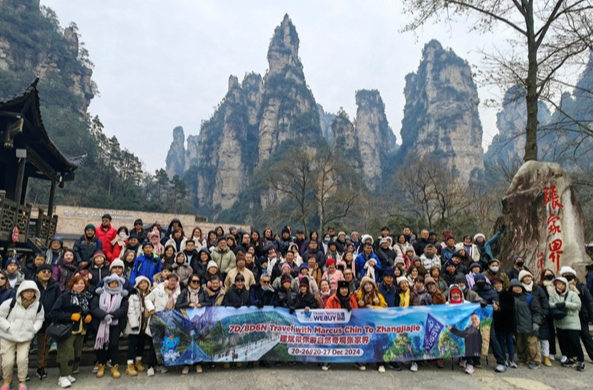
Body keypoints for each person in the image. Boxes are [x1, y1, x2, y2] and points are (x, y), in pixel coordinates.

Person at [50, 275, 94, 388]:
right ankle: (63, 376)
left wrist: (88, 316)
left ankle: (69, 372)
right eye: (77, 283)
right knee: (66, 352)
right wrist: (70, 316)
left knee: (76, 352)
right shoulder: (65, 297)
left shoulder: (86, 297)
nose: (80, 286)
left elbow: (88, 310)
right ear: (71, 284)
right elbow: (54, 313)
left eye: (82, 283)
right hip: (67, 329)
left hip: (81, 329)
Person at [0, 281, 44, 390]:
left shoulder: (38, 305)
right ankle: (7, 381)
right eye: (27, 291)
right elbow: (0, 316)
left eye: (32, 291)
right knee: (7, 362)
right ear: (21, 291)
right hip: (8, 336)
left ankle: (22, 381)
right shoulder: (11, 302)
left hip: (25, 337)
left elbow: (40, 319)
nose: (29, 294)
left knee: (22, 360)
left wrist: (33, 329)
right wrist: (8, 327)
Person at [91, 274, 129, 379]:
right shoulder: (100, 293)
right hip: (100, 322)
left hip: (115, 323)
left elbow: (124, 308)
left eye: (116, 283)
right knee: (100, 345)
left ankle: (114, 365)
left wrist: (111, 315)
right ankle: (101, 364)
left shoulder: (122, 295)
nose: (114, 285)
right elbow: (93, 307)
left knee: (114, 344)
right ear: (107, 283)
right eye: (111, 283)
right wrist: (104, 316)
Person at [145, 273, 182, 376]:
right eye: (171, 280)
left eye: (175, 280)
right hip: (157, 319)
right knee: (154, 344)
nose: (172, 282)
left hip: (169, 322)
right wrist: (151, 308)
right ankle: (150, 366)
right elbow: (147, 299)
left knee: (164, 343)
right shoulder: (158, 290)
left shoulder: (177, 294)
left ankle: (160, 364)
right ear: (167, 281)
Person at [548, 276, 584, 372]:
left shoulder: (572, 294)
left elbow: (577, 305)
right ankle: (569, 358)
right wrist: (556, 305)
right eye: (557, 284)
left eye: (561, 284)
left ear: (565, 285)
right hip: (560, 323)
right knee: (563, 342)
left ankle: (580, 360)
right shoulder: (553, 295)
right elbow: (549, 304)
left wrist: (565, 304)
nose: (559, 286)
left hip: (572, 322)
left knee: (575, 342)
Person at [560, 266, 593, 362]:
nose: (568, 280)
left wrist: (591, 316)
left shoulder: (581, 288)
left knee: (586, 336)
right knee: (572, 338)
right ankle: (574, 356)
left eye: (570, 277)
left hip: (582, 316)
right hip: (569, 317)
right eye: (565, 277)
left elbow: (589, 302)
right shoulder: (562, 289)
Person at [176, 274, 208, 374]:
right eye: (194, 281)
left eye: (198, 281)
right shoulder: (184, 292)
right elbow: (177, 305)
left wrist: (201, 304)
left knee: (198, 341)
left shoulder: (203, 291)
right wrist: (187, 304)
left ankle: (198, 363)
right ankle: (187, 364)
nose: (196, 283)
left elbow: (209, 303)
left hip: (200, 320)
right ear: (190, 282)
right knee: (187, 342)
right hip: (187, 319)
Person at [33, 264, 61, 379]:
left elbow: (58, 302)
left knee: (43, 346)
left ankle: (41, 368)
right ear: (37, 274)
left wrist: (52, 315)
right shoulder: (32, 285)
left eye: (48, 272)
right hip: (31, 319)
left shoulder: (55, 286)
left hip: (47, 320)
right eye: (43, 271)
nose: (46, 273)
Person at [355, 276, 387, 372]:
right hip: (364, 322)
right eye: (366, 285)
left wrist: (374, 307)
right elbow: (354, 307)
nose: (368, 286)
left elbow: (385, 307)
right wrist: (360, 305)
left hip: (376, 322)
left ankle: (380, 363)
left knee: (377, 342)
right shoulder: (359, 295)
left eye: (370, 284)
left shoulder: (378, 295)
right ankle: (363, 361)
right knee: (365, 341)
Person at [509, 278, 542, 369]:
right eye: (515, 287)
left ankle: (535, 361)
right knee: (520, 343)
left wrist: (536, 322)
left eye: (519, 287)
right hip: (517, 325)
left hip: (529, 325)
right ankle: (522, 358)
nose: (517, 289)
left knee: (532, 344)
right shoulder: (510, 298)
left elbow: (536, 311)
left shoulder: (529, 297)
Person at [124, 276, 152, 377]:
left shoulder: (149, 294)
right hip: (135, 323)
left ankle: (138, 361)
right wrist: (134, 324)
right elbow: (131, 310)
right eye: (141, 283)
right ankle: (129, 364)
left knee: (141, 343)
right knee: (133, 344)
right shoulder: (133, 295)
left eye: (145, 282)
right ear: (138, 285)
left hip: (145, 324)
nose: (144, 285)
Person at [539, 269, 557, 365]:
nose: (549, 275)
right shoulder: (541, 286)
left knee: (553, 333)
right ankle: (547, 353)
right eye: (547, 274)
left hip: (556, 311)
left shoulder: (557, 284)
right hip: (547, 312)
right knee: (547, 332)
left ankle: (553, 351)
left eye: (551, 273)